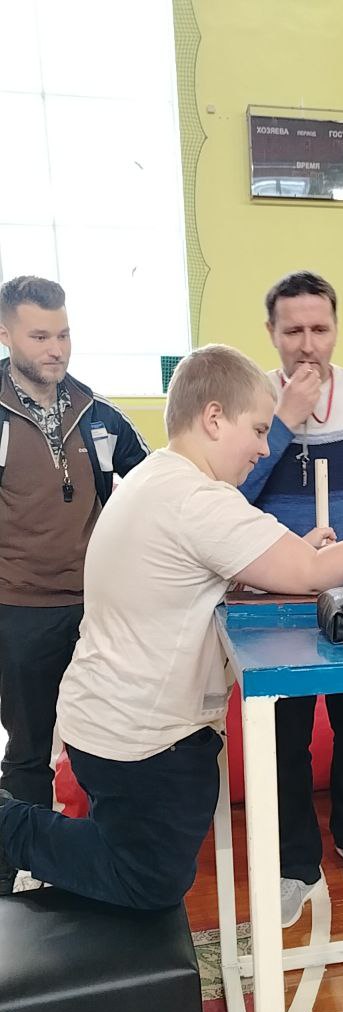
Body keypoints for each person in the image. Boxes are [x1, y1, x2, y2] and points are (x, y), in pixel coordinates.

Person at [0, 345, 343, 912]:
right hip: (138, 735)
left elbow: (208, 569)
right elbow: (311, 572)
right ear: (214, 418)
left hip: (107, 720)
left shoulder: (157, 477)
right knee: (151, 880)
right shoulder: (197, 499)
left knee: (145, 866)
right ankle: (10, 829)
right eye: (258, 429)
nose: (263, 447)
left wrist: (281, 558)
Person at [240, 270, 343, 928]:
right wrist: (282, 420)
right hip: (277, 598)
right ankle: (295, 863)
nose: (307, 344)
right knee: (285, 737)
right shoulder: (251, 399)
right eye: (293, 331)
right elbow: (230, 497)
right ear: (271, 333)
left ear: (336, 328)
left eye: (319, 328)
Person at [0, 275, 149, 856]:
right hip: (19, 610)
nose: (56, 349)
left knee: (107, 741)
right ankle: (24, 867)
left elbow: (156, 488)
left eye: (63, 334)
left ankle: (104, 859)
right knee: (29, 750)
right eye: (39, 337)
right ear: (6, 334)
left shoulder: (98, 414)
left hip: (95, 610)